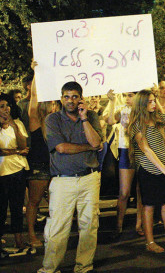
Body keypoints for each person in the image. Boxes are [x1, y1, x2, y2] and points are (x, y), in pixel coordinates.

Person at [39, 81, 103, 273]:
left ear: (81, 99)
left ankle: (84, 266)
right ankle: (49, 268)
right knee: (58, 227)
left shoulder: (91, 116)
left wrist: (84, 119)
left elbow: (97, 142)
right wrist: (89, 148)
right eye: (66, 97)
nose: (70, 100)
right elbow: (61, 148)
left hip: (89, 178)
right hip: (63, 180)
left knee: (89, 225)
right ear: (61, 98)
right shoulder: (52, 119)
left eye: (75, 96)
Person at [128, 90, 165, 253]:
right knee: (148, 206)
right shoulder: (136, 124)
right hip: (148, 169)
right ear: (141, 104)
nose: (154, 104)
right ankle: (150, 242)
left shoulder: (161, 119)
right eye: (149, 102)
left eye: (154, 100)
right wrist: (164, 169)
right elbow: (146, 149)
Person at [25, 68, 59, 248]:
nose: (54, 106)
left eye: (55, 103)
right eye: (51, 103)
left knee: (56, 204)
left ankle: (53, 234)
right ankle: (31, 235)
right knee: (34, 202)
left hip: (56, 166)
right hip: (39, 166)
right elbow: (34, 96)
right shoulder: (36, 120)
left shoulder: (57, 122)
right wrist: (36, 71)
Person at [106, 90, 142, 238]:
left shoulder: (143, 110)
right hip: (126, 151)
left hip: (141, 151)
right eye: (125, 95)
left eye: (130, 95)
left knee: (141, 191)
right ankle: (119, 225)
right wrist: (112, 101)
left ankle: (140, 224)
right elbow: (110, 121)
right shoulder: (122, 110)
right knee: (124, 192)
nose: (127, 98)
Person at [0, 92, 29, 253]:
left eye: (8, 105)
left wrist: (14, 126)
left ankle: (19, 240)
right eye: (2, 106)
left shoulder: (17, 123)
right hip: (2, 172)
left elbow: (23, 145)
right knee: (1, 209)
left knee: (17, 207)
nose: (6, 109)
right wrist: (16, 151)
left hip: (17, 170)